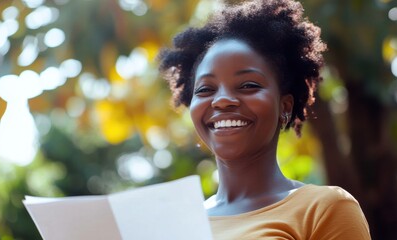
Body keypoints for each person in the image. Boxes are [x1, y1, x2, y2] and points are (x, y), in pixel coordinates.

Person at [158, 0, 370, 239]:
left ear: (285, 106)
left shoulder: (324, 208)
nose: (222, 101)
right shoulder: (178, 225)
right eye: (205, 89)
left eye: (248, 85)